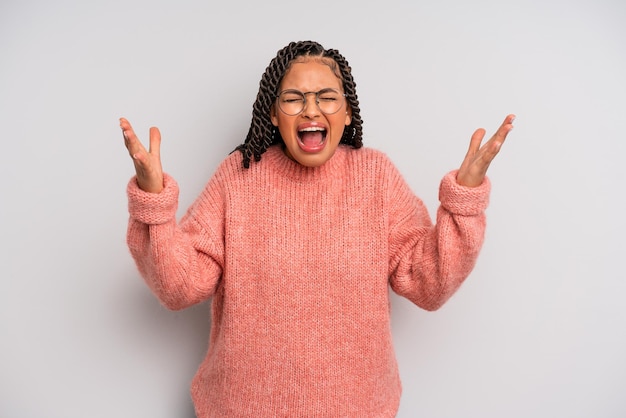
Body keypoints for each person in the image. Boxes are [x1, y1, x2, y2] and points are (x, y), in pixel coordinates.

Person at [120, 40, 514, 417]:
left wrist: (464, 199)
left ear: (346, 112)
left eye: (327, 97)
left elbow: (429, 285)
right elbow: (180, 286)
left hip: (360, 408)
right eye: (294, 99)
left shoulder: (376, 177)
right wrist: (153, 205)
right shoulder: (237, 179)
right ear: (273, 114)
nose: (311, 110)